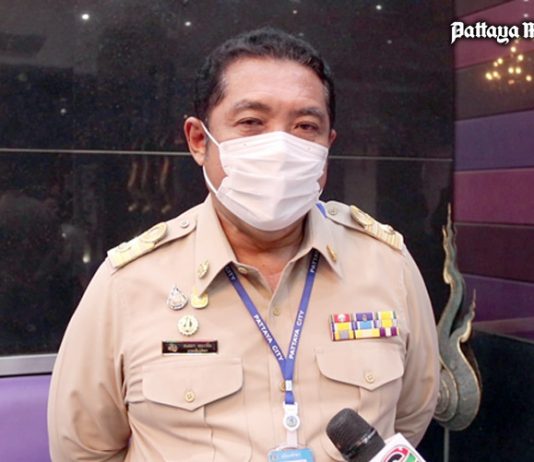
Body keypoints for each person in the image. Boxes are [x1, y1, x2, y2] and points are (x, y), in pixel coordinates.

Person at [48, 27, 439, 462]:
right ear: (199, 140)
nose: (281, 146)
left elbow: (408, 419)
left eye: (305, 126)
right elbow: (84, 450)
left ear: (328, 144)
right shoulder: (128, 284)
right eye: (252, 122)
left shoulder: (387, 265)